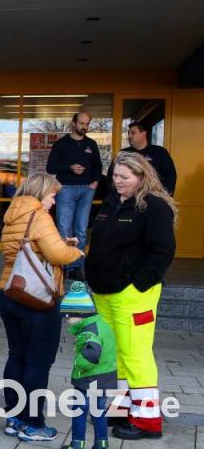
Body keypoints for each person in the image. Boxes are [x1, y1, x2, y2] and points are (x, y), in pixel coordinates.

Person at [85, 152, 177, 441]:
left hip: (132, 294)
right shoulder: (112, 202)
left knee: (135, 355)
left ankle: (147, 420)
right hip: (104, 292)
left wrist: (138, 284)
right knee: (114, 355)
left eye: (124, 177)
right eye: (115, 176)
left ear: (141, 176)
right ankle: (122, 407)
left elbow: (162, 250)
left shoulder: (154, 206)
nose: (118, 181)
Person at [0, 173, 84, 442]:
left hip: (10, 291)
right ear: (41, 192)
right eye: (52, 195)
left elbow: (33, 249)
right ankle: (33, 424)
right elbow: (57, 255)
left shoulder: (13, 213)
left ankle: (14, 417)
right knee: (39, 361)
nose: (54, 200)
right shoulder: (39, 216)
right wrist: (79, 252)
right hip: (37, 298)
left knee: (17, 355)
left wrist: (61, 244)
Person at [46, 112, 103, 281]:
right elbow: (50, 168)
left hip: (87, 190)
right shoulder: (61, 144)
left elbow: (98, 166)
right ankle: (65, 266)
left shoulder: (91, 144)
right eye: (81, 123)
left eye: (87, 123)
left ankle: (77, 268)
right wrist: (69, 168)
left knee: (81, 229)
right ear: (73, 123)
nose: (84, 127)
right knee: (64, 229)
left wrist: (96, 182)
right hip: (66, 189)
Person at [61, 285, 117, 449]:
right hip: (106, 377)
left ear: (79, 315)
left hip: (88, 379)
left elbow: (92, 354)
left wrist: (78, 363)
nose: (66, 320)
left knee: (79, 410)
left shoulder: (88, 332)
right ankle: (102, 444)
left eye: (67, 316)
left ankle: (77, 444)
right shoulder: (101, 324)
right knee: (98, 412)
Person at [105, 123, 176, 195]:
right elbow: (111, 175)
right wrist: (115, 195)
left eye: (133, 133)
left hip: (153, 198)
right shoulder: (123, 153)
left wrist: (164, 194)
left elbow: (170, 175)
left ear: (143, 134)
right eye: (128, 133)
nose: (129, 136)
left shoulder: (159, 152)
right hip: (128, 198)